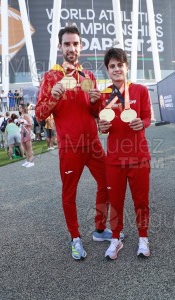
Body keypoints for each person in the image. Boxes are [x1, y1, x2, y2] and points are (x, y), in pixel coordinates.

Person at [35, 26, 123, 260]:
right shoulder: (50, 77)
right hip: (70, 147)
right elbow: (40, 114)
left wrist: (97, 103)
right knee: (69, 194)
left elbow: (96, 112)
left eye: (75, 44)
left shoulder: (88, 76)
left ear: (81, 47)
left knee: (108, 184)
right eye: (67, 44)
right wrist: (53, 97)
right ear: (60, 47)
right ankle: (75, 238)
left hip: (93, 144)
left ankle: (100, 229)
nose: (71, 48)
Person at [89, 48, 151, 260]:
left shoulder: (141, 90)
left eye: (120, 65)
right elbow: (102, 125)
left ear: (126, 67)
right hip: (114, 160)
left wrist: (140, 123)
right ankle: (115, 238)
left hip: (139, 157)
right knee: (115, 202)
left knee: (141, 201)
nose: (116, 69)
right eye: (112, 66)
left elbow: (147, 118)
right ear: (108, 70)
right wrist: (102, 128)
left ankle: (143, 237)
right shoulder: (104, 95)